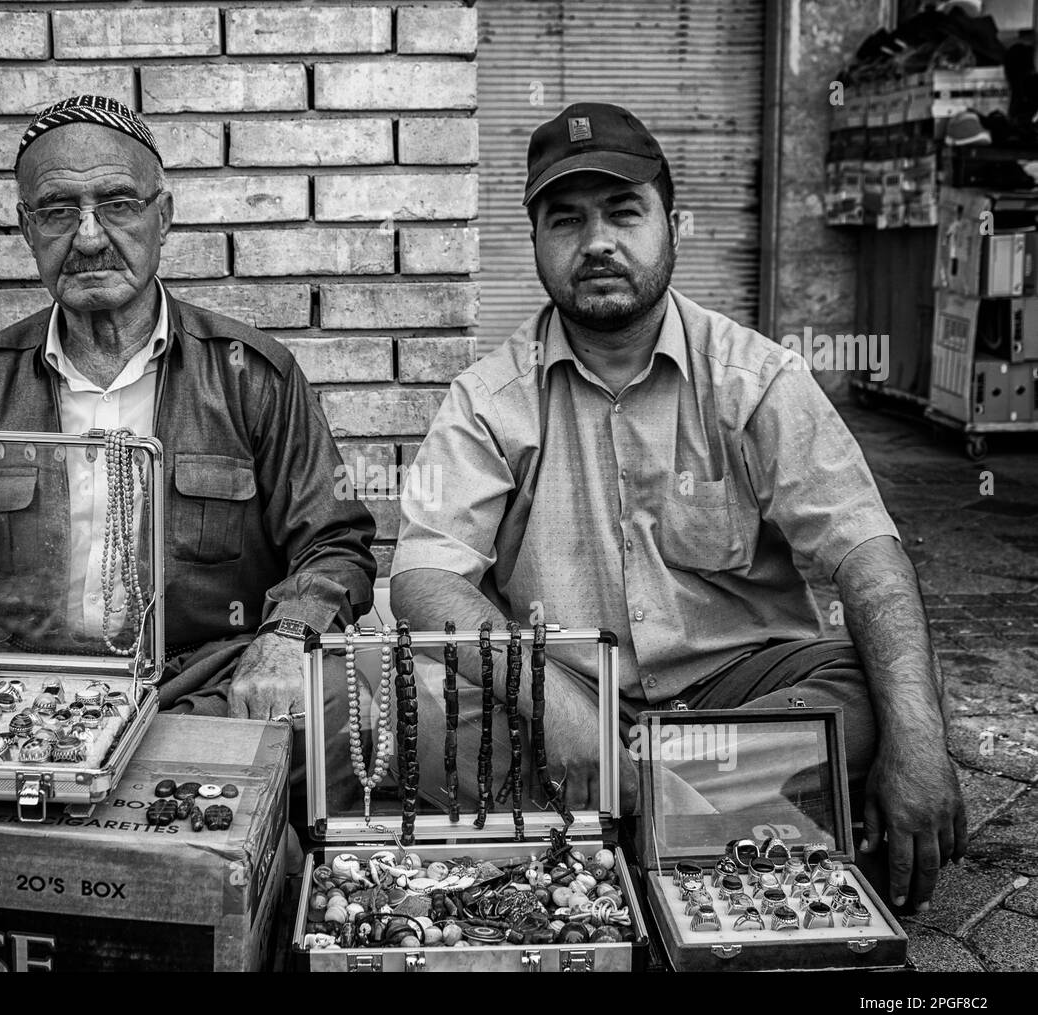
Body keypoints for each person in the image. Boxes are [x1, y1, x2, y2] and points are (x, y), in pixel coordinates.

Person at [390, 101, 966, 911]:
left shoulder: (757, 378)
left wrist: (921, 741)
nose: (597, 243)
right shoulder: (487, 400)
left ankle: (622, 809)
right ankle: (719, 811)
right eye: (566, 221)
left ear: (672, 224)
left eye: (624, 212)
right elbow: (423, 578)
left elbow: (866, 556)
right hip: (568, 691)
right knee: (393, 701)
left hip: (741, 689)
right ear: (536, 244)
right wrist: (559, 705)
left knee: (884, 689)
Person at [0, 97, 376, 800]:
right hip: (24, 697)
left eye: (117, 203)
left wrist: (286, 639)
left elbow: (333, 541)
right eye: (57, 210)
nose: (87, 237)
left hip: (199, 685)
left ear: (162, 217)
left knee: (335, 709)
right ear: (25, 228)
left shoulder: (249, 374)